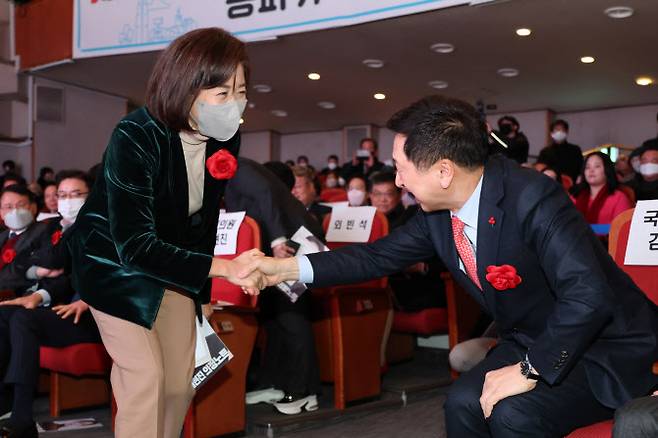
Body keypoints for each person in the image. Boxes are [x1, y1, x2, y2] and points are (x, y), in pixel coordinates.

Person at [246, 95, 658, 438]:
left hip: (600, 347)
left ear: (444, 171)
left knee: (515, 415)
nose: (398, 182)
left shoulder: (531, 197)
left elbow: (588, 295)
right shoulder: (438, 214)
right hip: (531, 339)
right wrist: (281, 270)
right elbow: (373, 257)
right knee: (462, 404)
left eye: (402, 169)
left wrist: (531, 370)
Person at [69, 28, 265, 438]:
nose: (236, 105)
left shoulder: (224, 138)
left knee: (180, 382)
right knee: (146, 377)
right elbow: (134, 244)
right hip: (115, 263)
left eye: (242, 92)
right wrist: (224, 269)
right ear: (186, 87)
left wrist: (203, 298)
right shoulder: (135, 135)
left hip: (171, 261)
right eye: (222, 93)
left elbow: (205, 221)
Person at [0, 170, 100, 438]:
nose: (67, 200)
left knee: (24, 318)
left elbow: (64, 266)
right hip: (61, 307)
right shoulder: (53, 227)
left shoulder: (99, 227)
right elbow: (25, 261)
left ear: (91, 196)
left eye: (75, 194)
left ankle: (22, 416)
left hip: (94, 313)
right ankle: (5, 403)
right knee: (6, 313)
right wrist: (40, 271)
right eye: (62, 195)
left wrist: (87, 299)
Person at [223, 157, 323, 414]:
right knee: (273, 318)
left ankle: (305, 391)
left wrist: (278, 240)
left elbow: (266, 193)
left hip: (293, 242)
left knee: (292, 316)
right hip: (273, 246)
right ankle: (278, 383)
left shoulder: (237, 167)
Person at [0, 186, 50, 295]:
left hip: (21, 294)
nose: (15, 211)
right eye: (8, 206)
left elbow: (24, 270)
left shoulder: (43, 232)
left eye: (21, 205)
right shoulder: (2, 236)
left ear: (33, 207)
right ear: (1, 212)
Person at [571, 152, 632, 225]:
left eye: (597, 166)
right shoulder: (575, 197)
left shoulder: (619, 198)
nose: (591, 170)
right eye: (587, 167)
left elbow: (621, 230)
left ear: (607, 170)